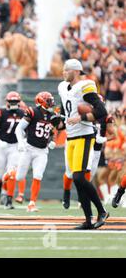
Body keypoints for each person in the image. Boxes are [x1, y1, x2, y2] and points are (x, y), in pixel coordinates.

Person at [58, 59, 109, 230]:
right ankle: (88, 220)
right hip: (71, 137)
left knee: (80, 177)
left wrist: (80, 118)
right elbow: (66, 111)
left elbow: (102, 111)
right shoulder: (62, 88)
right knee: (77, 180)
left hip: (84, 135)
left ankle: (101, 211)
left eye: (67, 70)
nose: (63, 72)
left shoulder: (85, 86)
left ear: (76, 71)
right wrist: (59, 122)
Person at [5, 91, 59, 212]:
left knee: (38, 175)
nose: (51, 103)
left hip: (42, 151)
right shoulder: (33, 112)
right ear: (41, 102)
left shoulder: (52, 116)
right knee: (19, 177)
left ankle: (32, 203)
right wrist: (20, 142)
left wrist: (51, 140)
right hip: (29, 148)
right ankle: (11, 172)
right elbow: (19, 129)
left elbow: (52, 131)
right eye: (48, 101)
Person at [0, 91, 25, 205]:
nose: (13, 103)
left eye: (15, 101)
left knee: (11, 172)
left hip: (14, 146)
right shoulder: (1, 112)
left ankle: (7, 196)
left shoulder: (23, 113)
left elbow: (27, 130)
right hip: (2, 146)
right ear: (7, 102)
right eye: (11, 101)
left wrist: (23, 141)